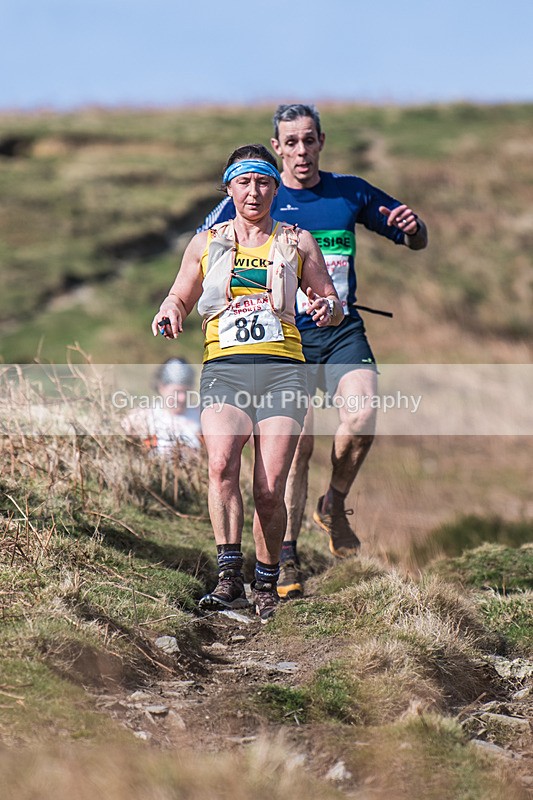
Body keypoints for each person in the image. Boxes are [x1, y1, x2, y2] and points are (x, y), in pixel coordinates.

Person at [198, 104, 428, 599]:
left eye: (309, 140)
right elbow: (203, 250)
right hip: (282, 342)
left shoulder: (350, 192)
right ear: (277, 147)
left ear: (321, 141)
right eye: (291, 142)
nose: (301, 151)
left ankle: (334, 503)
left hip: (341, 329)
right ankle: (286, 558)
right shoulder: (256, 192)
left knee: (363, 415)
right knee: (293, 451)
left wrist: (413, 229)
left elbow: (413, 237)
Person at [152, 143, 342, 622]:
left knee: (268, 486)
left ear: (275, 188)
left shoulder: (297, 240)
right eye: (243, 182)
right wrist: (170, 310)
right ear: (229, 188)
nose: (253, 192)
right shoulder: (206, 242)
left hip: (282, 372)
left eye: (262, 182)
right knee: (220, 465)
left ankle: (265, 579)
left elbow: (330, 301)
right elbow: (180, 293)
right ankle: (229, 576)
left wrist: (326, 307)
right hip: (226, 369)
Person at [122, 357, 202, 455]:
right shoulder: (142, 417)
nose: (182, 398)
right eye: (177, 392)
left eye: (187, 391)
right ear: (161, 387)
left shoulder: (201, 417)